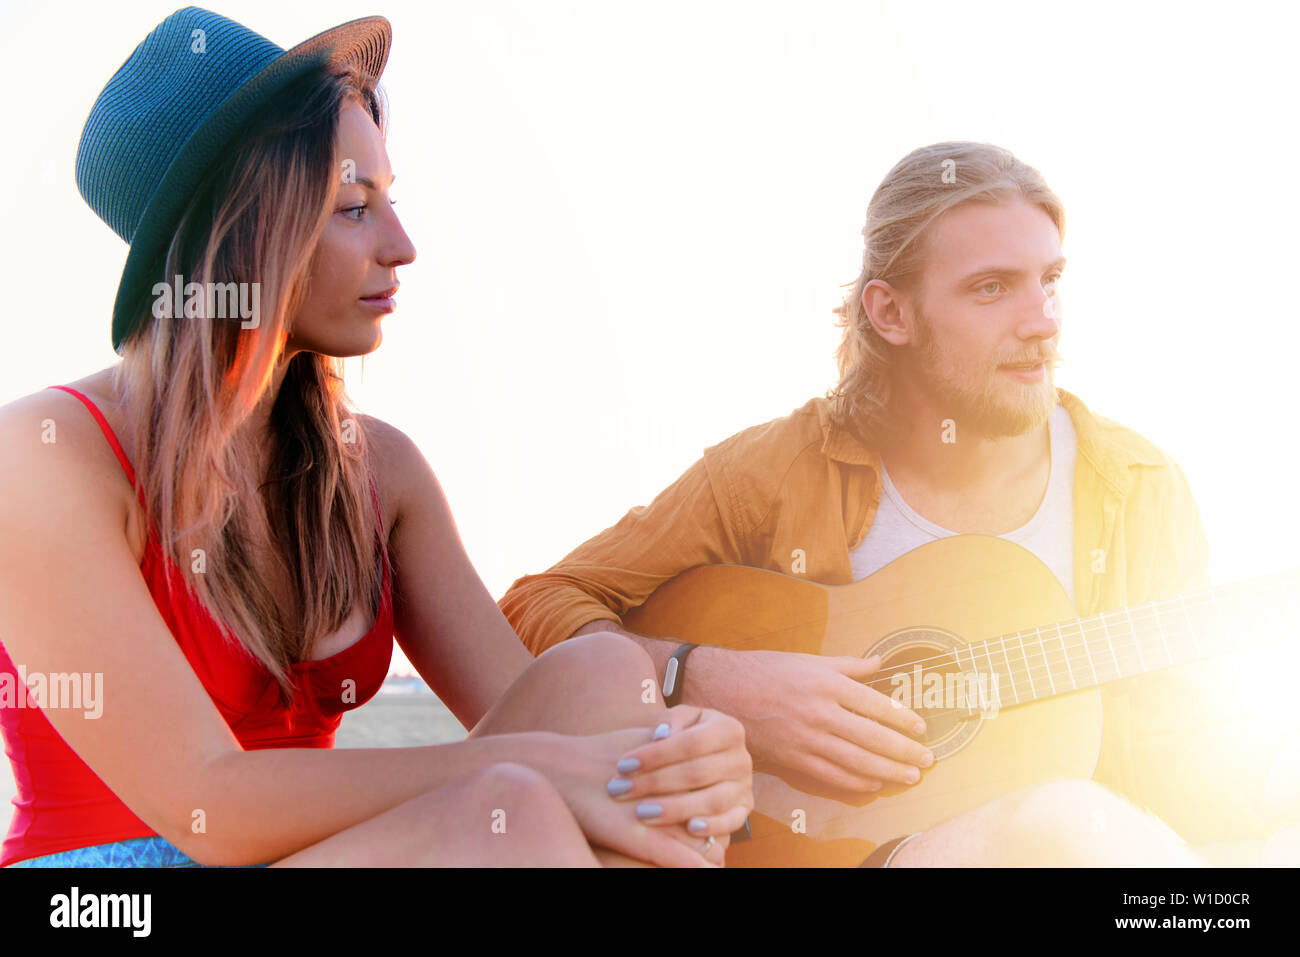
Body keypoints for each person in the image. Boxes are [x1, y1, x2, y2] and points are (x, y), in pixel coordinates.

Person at [0, 7, 751, 869]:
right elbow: (206, 803)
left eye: (390, 202)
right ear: (241, 236)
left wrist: (684, 756)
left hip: (324, 852)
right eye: (355, 208)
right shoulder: (45, 453)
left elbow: (562, 730)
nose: (403, 247)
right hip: (102, 890)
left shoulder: (379, 471)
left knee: (606, 683)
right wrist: (540, 768)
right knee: (505, 806)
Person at [500, 141, 1296, 866]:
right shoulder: (771, 473)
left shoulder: (1137, 488)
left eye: (1050, 281)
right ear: (890, 312)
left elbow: (1180, 747)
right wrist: (702, 677)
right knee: (1055, 819)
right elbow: (533, 606)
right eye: (993, 289)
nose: (1042, 322)